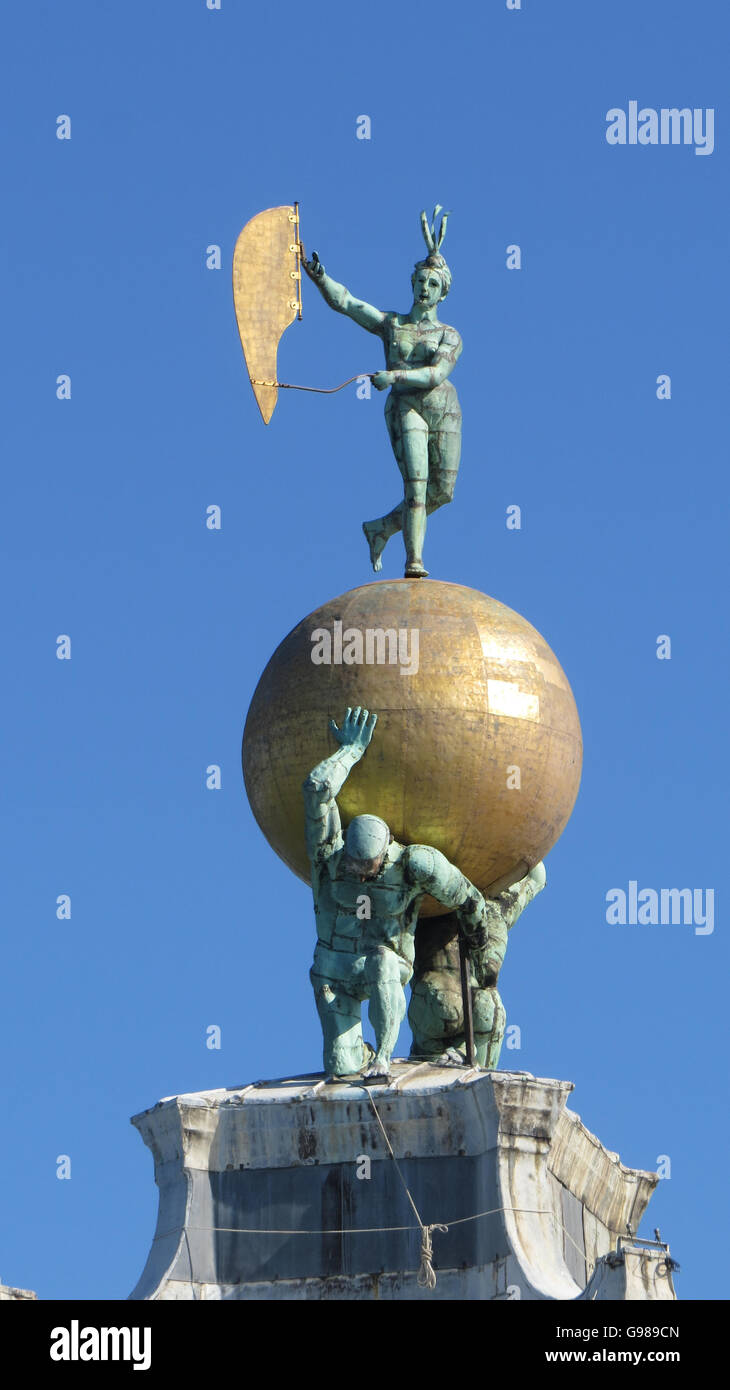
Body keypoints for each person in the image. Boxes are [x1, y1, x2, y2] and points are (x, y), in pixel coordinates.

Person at [303, 706, 487, 1078]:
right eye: (352, 866)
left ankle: (384, 1058)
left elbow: (466, 896)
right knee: (341, 1066)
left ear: (384, 855)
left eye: (365, 869)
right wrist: (351, 751)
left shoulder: (413, 865)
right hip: (335, 968)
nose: (357, 874)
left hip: (385, 960)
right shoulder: (328, 856)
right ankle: (365, 1056)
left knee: (383, 965)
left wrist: (477, 931)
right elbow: (315, 789)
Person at [302, 208, 462, 578]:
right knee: (417, 485)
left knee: (443, 491)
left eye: (432, 284)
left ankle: (381, 529)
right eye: (420, 281)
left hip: (444, 408)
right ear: (413, 283)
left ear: (442, 292)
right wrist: (320, 279)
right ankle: (414, 561)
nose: (424, 288)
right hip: (406, 407)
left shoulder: (449, 335)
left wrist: (393, 375)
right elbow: (350, 304)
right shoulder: (393, 325)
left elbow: (438, 372)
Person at [408, 864, 547, 1070]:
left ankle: (480, 1070)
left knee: (489, 1004)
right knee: (481, 1003)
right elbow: (536, 876)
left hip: (454, 1011)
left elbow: (536, 876)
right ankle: (466, 1067)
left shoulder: (496, 909)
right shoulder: (428, 903)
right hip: (435, 1017)